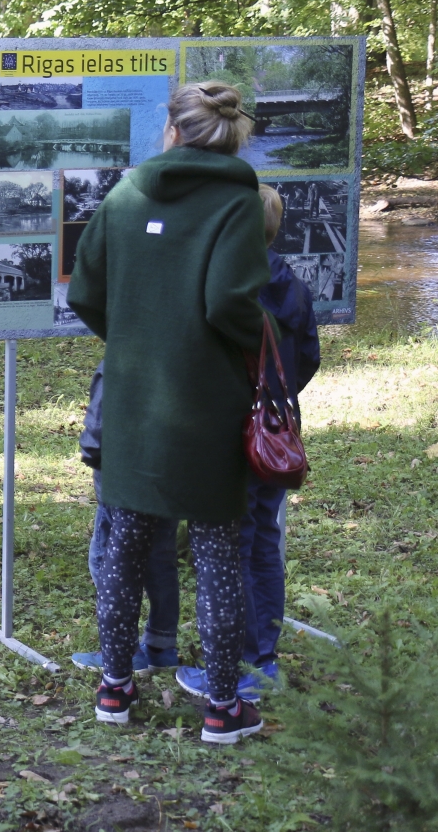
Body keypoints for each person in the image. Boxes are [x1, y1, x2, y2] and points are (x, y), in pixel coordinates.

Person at [68, 81, 272, 745]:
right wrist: (258, 335)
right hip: (207, 401)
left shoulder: (124, 196)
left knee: (124, 544)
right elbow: (227, 303)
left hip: (132, 398)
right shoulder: (239, 201)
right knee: (215, 550)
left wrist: (134, 334)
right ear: (229, 135)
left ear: (174, 131)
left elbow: (87, 293)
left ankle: (115, 690)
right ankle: (221, 707)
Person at [177, 184, 320, 704]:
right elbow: (306, 357)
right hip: (277, 431)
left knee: (234, 546)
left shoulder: (230, 285)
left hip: (236, 435)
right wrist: (277, 404)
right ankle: (265, 658)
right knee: (262, 543)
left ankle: (242, 667)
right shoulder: (293, 284)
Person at [70, 362, 182, 674]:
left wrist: (94, 455)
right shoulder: (182, 343)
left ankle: (123, 651)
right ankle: (162, 645)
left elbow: (99, 423)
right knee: (161, 555)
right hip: (170, 469)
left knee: (106, 559)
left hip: (123, 477)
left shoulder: (124, 348)